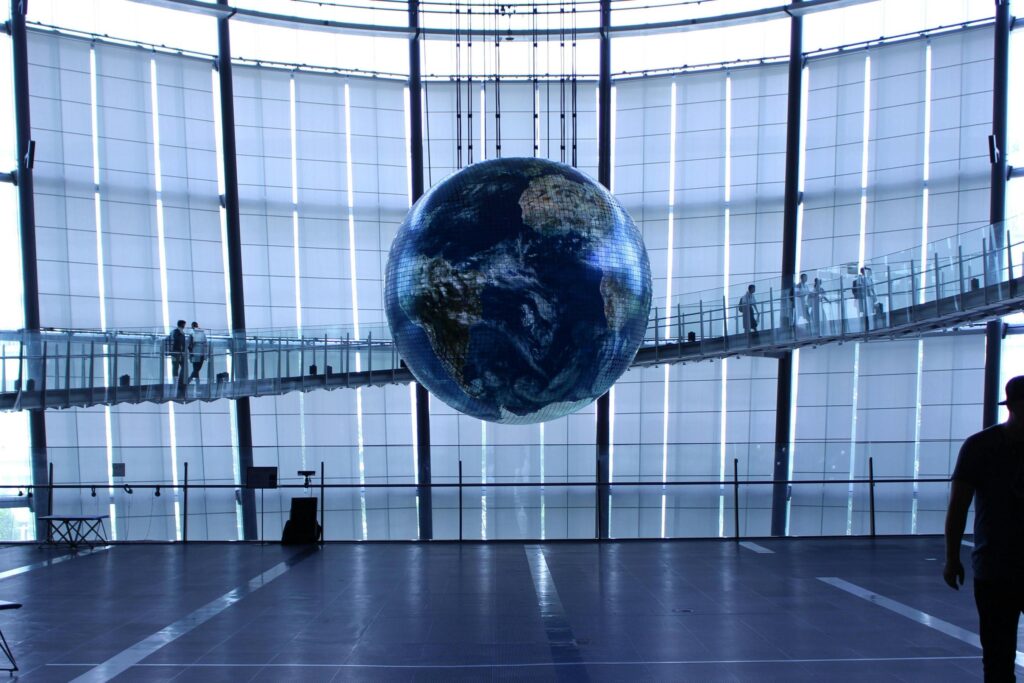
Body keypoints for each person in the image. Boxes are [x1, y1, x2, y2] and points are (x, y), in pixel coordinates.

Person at [944, 375, 1024, 681]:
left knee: (997, 657)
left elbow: (959, 505)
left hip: (994, 565)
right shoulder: (980, 446)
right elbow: (958, 506)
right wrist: (952, 558)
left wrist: (953, 558)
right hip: (995, 566)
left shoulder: (980, 445)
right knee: (997, 658)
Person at [168, 320, 188, 387]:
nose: (184, 326)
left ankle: (179, 381)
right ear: (182, 325)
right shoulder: (176, 332)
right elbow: (177, 341)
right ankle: (176, 382)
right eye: (184, 325)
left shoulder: (180, 332)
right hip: (176, 352)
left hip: (180, 353)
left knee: (182, 367)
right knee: (175, 367)